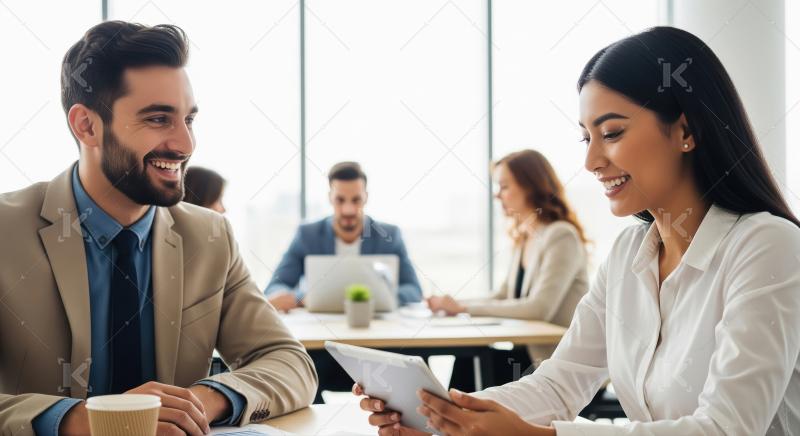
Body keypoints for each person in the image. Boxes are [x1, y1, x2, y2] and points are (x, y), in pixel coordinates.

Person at [353, 26, 800, 435]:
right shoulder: (629, 254)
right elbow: (558, 385)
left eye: (612, 132)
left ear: (685, 130)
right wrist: (445, 413)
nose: (591, 162)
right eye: (587, 138)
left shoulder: (767, 247)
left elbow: (727, 428)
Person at [0, 21, 317, 435]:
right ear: (86, 126)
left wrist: (201, 401)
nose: (185, 145)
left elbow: (289, 362)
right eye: (158, 119)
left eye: (189, 119)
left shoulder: (210, 236)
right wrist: (80, 420)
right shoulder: (7, 231)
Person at [428, 149, 589, 389]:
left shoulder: (560, 235)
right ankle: (451, 423)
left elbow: (539, 309)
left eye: (504, 186)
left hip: (557, 365)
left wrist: (462, 308)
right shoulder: (526, 236)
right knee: (470, 358)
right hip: (528, 358)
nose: (497, 195)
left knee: (471, 362)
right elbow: (502, 295)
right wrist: (453, 305)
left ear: (530, 186)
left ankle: (451, 423)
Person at [264, 161, 423, 311]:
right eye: (340, 200)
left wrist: (377, 298)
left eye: (356, 200)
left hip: (373, 325)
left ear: (366, 197)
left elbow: (413, 290)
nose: (348, 209)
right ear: (330, 198)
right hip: (319, 328)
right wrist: (302, 298)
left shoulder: (389, 236)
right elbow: (275, 287)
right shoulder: (307, 235)